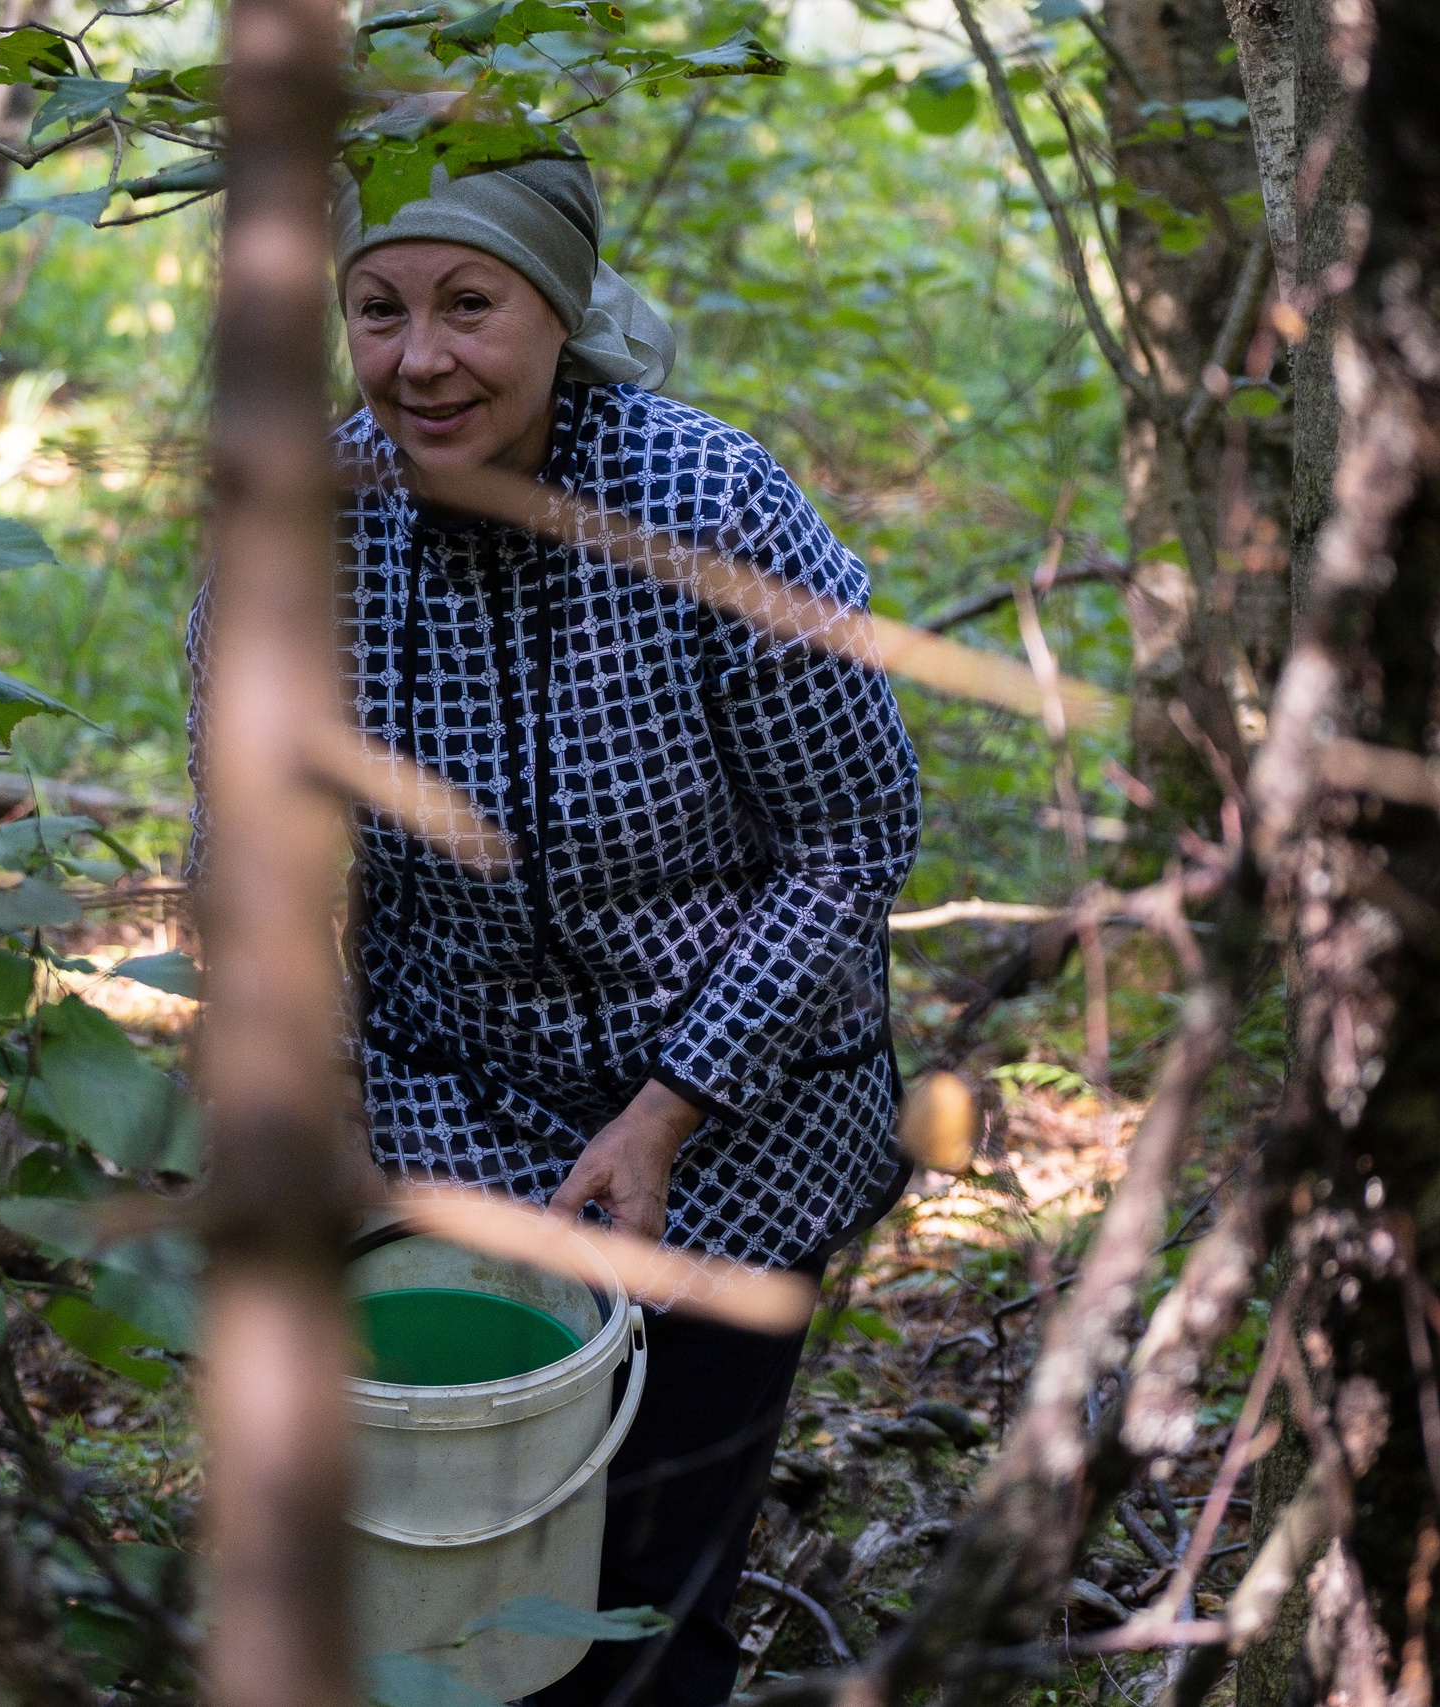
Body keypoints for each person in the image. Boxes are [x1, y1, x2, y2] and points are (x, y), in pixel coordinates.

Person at [188, 142, 920, 1707]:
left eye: (472, 304)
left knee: (653, 1586)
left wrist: (670, 1108)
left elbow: (855, 839)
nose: (422, 357)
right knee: (452, 1581)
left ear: (557, 310)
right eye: (377, 310)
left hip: (747, 1116)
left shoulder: (712, 506)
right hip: (456, 1102)